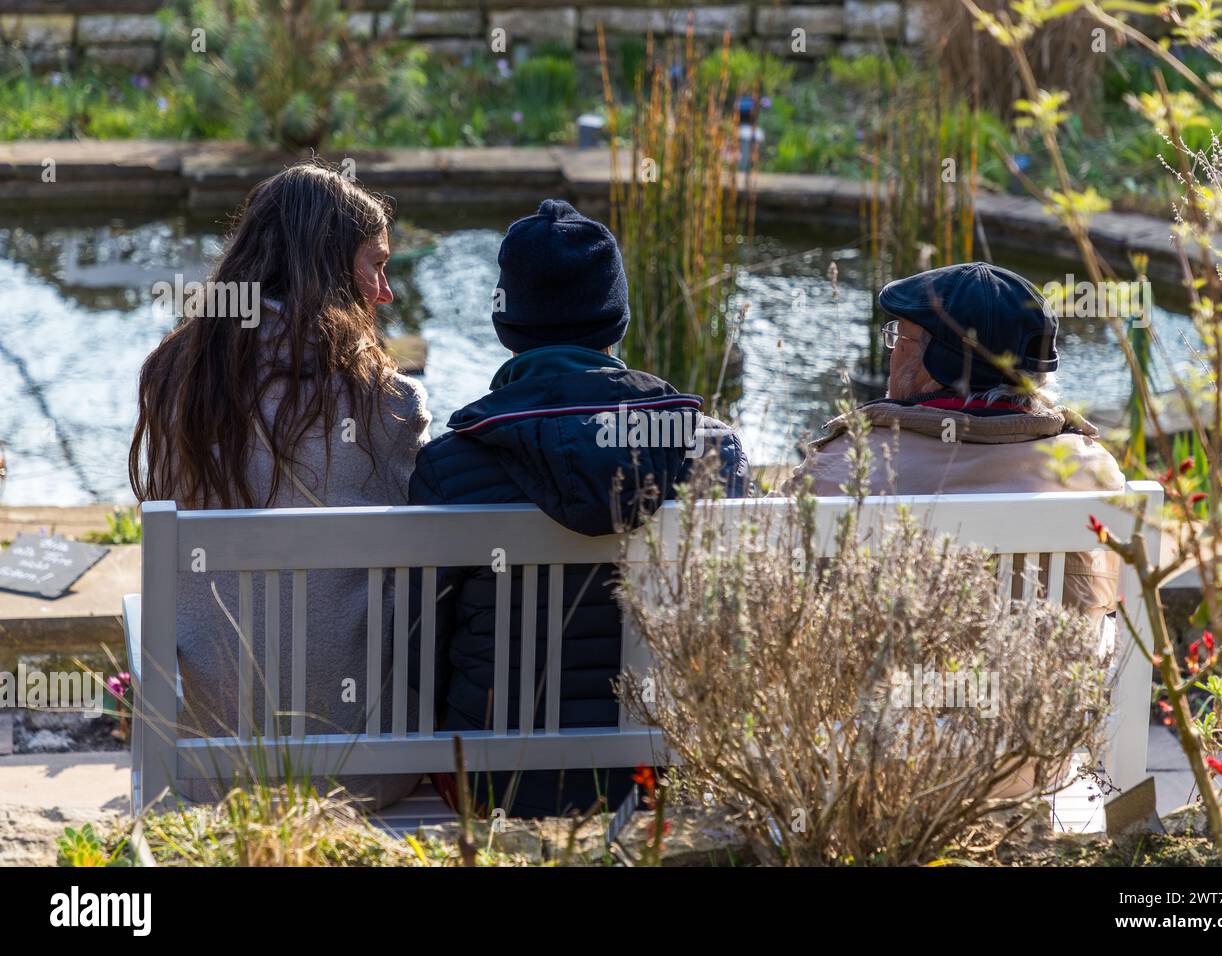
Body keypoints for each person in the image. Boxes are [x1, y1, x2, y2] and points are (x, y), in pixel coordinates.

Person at [409, 198, 748, 818]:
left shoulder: (447, 468)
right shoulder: (711, 453)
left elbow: (418, 654)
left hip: (491, 783)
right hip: (663, 775)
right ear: (616, 319)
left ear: (506, 323)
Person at [129, 161, 431, 808]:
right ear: (324, 266)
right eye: (374, 265)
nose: (385, 293)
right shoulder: (391, 406)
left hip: (212, 774)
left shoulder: (175, 384)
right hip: (365, 772)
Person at [790, 261, 1125, 628]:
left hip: (888, 685)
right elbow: (1106, 597)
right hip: (1047, 683)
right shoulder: (1090, 472)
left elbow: (789, 592)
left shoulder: (840, 467)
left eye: (900, 337)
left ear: (935, 365)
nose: (892, 351)